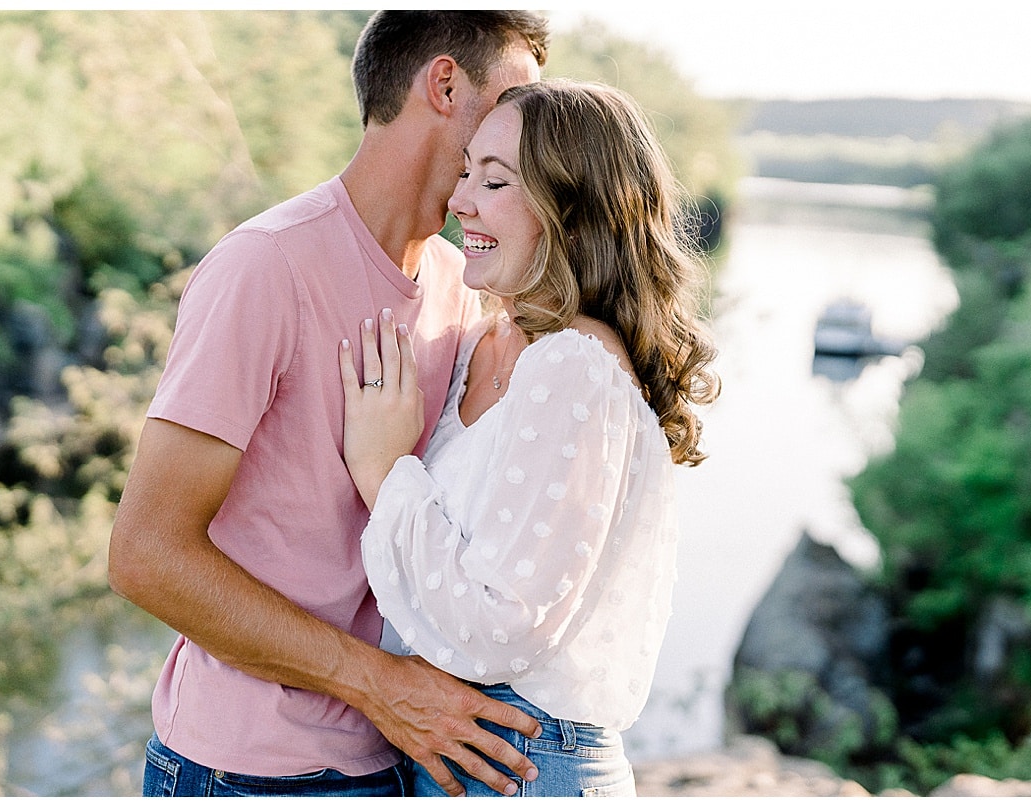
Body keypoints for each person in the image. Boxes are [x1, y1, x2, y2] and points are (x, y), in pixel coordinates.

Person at [108, 11, 551, 797]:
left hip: (393, 758)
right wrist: (380, 685)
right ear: (445, 85)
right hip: (244, 773)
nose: (530, 131)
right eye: (516, 100)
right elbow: (146, 553)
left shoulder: (460, 287)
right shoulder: (264, 267)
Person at [336, 79, 722, 797]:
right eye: (465, 173)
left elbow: (502, 623)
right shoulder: (485, 340)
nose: (460, 201)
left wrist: (385, 473)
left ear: (572, 215)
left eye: (496, 180)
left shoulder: (573, 364)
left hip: (528, 760)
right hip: (461, 748)